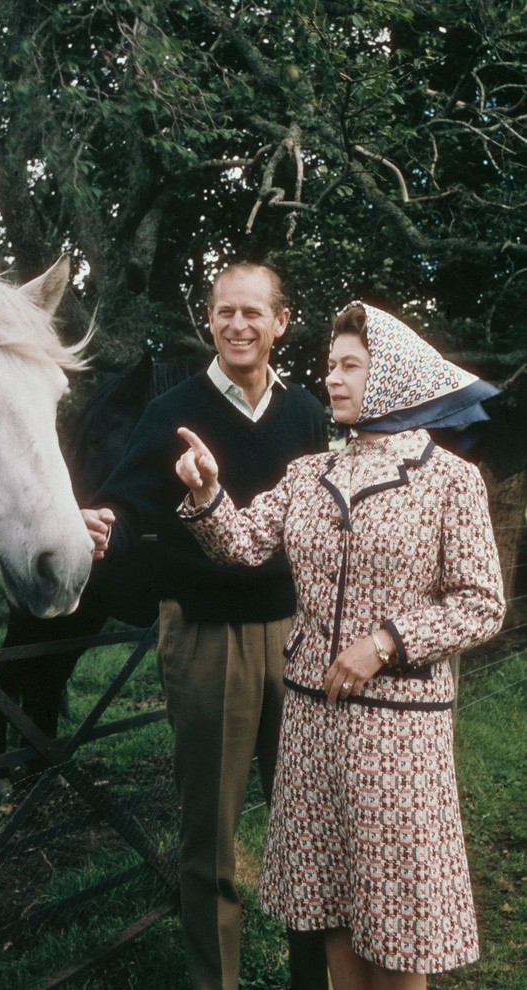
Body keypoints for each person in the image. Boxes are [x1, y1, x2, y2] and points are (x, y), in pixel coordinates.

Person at [175, 300, 506, 990]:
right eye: (330, 366)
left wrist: (384, 642)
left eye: (352, 365)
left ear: (392, 375)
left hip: (399, 735)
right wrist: (208, 492)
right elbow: (239, 544)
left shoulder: (449, 480)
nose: (332, 379)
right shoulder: (306, 474)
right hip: (310, 724)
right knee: (331, 915)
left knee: (396, 926)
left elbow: (481, 605)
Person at [84, 262, 330, 990]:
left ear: (280, 323)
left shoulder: (307, 411)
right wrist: (106, 526)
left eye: (253, 313)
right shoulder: (173, 410)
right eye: (225, 312)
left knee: (305, 832)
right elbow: (128, 506)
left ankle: (311, 979)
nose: (238, 326)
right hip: (207, 639)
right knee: (210, 839)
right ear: (211, 320)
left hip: (295, 637)